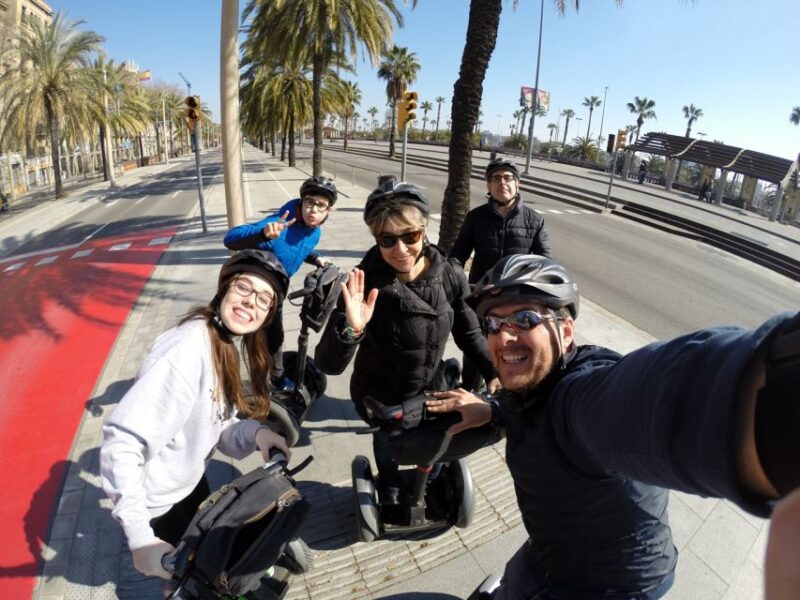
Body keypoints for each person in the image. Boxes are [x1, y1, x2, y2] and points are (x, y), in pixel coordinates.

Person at [426, 253, 799, 599]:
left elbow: (663, 399)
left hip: (613, 584)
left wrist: (774, 392)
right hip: (553, 550)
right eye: (492, 323)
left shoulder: (582, 398)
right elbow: (528, 403)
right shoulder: (533, 386)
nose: (504, 336)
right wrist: (493, 410)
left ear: (567, 332)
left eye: (525, 319)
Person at [100, 250, 292, 583]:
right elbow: (122, 445)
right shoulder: (187, 349)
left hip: (189, 482)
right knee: (188, 580)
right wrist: (140, 539)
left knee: (207, 559)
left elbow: (218, 422)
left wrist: (255, 434)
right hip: (160, 502)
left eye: (264, 299)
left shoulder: (224, 344)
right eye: (244, 287)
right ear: (224, 290)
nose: (251, 302)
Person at [315, 181, 500, 513]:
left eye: (409, 236)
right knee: (388, 438)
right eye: (387, 240)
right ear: (376, 238)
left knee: (436, 440)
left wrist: (492, 371)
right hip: (380, 390)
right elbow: (328, 364)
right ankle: (388, 483)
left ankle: (429, 479)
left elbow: (469, 331)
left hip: (430, 386)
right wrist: (350, 328)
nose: (400, 249)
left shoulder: (450, 274)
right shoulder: (363, 282)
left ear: (424, 229)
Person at [224, 176, 337, 392]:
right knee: (236, 337)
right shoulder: (279, 225)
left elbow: (299, 248)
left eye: (320, 206)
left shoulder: (315, 232)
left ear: (327, 211)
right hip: (250, 293)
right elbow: (230, 239)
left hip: (276, 291)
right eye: (309, 202)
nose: (313, 209)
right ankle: (225, 380)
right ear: (301, 202)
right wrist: (263, 232)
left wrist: (315, 258)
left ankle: (275, 380)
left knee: (275, 337)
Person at [448, 157, 552, 391]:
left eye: (507, 178)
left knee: (514, 351)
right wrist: (458, 282)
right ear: (488, 186)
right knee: (475, 350)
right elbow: (457, 256)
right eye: (495, 178)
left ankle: (509, 397)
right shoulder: (475, 218)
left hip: (516, 302)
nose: (501, 182)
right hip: (481, 297)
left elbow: (545, 261)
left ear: (518, 184)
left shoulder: (534, 220)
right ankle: (471, 392)